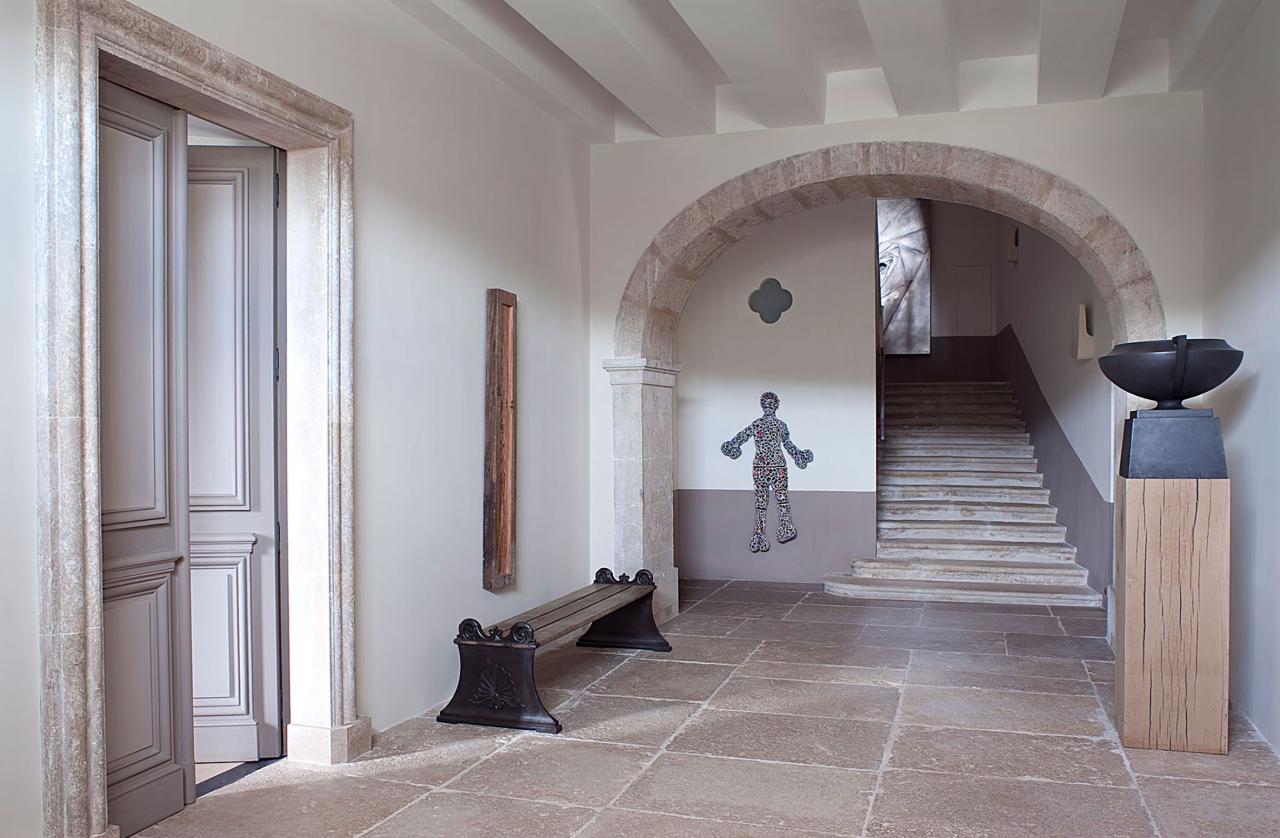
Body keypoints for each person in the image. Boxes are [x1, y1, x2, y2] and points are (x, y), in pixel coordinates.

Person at [720, 391, 814, 553]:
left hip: (776, 467)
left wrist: (798, 455)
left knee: (782, 499)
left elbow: (788, 444)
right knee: (761, 502)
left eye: (771, 404)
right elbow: (741, 438)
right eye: (765, 404)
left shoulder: (780, 425)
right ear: (762, 406)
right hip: (762, 468)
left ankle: (784, 527)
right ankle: (759, 533)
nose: (768, 407)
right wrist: (732, 446)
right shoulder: (756, 424)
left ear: (776, 405)